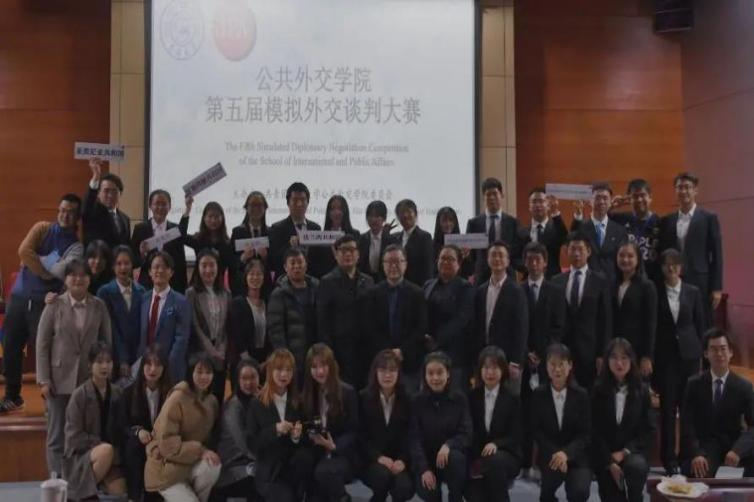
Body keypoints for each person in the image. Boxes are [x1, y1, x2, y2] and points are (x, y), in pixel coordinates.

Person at [0, 193, 83, 414]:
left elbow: (63, 272)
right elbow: (23, 251)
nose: (65, 215)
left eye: (71, 212)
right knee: (10, 346)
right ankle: (12, 396)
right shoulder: (42, 228)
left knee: (46, 352)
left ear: (77, 217)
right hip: (19, 298)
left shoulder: (76, 247)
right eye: (62, 210)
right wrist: (47, 272)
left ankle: (50, 400)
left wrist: (34, 262)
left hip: (45, 304)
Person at [36, 259, 112, 475]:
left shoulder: (99, 305)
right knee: (56, 434)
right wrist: (44, 380)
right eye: (73, 275)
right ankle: (58, 480)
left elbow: (106, 343)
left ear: (89, 279)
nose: (78, 279)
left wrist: (104, 375)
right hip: (58, 380)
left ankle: (80, 479)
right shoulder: (54, 305)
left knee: (86, 433)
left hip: (89, 379)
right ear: (66, 279)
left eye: (83, 275)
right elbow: (42, 345)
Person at [654, 248, 706, 475]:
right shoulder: (655, 291)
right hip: (666, 359)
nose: (671, 267)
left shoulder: (693, 292)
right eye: (667, 263)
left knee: (688, 408)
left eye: (675, 263)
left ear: (681, 267)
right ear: (662, 268)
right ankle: (669, 459)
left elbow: (700, 325)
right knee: (668, 410)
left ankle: (687, 455)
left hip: (690, 357)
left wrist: (702, 355)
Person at [144, 352, 221, 501]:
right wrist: (200, 451)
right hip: (166, 467)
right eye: (199, 372)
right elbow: (167, 444)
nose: (204, 377)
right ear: (190, 372)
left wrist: (204, 452)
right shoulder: (177, 397)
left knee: (213, 465)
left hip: (190, 464)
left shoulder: (212, 402)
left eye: (208, 373)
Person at [681, 328, 754, 478]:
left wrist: (738, 450)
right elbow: (687, 424)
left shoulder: (744, 387)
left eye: (723, 349)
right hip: (705, 446)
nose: (719, 354)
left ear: (731, 352)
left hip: (734, 445)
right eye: (714, 349)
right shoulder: (694, 384)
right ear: (706, 354)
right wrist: (696, 453)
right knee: (698, 470)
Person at [520, 242, 567, 474]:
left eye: (538, 259)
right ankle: (524, 462)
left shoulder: (556, 291)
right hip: (523, 361)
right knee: (524, 413)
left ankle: (544, 463)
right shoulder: (517, 289)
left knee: (546, 414)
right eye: (530, 259)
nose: (534, 263)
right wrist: (525, 352)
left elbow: (559, 327)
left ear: (546, 263)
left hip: (549, 362)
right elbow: (514, 326)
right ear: (524, 262)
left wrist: (544, 354)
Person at [592, 338, 654, 502]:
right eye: (614, 357)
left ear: (631, 360)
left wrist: (625, 451)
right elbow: (594, 430)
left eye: (624, 357)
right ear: (607, 361)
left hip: (633, 452)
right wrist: (609, 461)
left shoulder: (642, 390)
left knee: (636, 468)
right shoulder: (598, 390)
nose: (619, 363)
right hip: (606, 454)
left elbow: (648, 429)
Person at [247, 349, 313, 502]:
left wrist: (297, 437)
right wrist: (275, 430)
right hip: (270, 471)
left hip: (293, 468)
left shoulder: (298, 401)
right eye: (279, 369)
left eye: (288, 370)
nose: (284, 375)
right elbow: (252, 443)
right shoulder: (256, 404)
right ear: (270, 371)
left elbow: (306, 439)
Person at [63, 343, 126, 500]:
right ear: (90, 365)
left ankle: (96, 483)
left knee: (120, 489)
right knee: (106, 451)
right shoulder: (79, 395)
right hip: (82, 455)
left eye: (108, 361)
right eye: (99, 361)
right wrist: (99, 444)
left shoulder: (118, 393)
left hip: (110, 456)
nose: (105, 366)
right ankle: (82, 495)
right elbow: (73, 437)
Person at [660, 172, 723, 327]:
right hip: (674, 279)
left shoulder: (708, 218)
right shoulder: (668, 220)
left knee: (702, 323)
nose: (683, 191)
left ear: (695, 190)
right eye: (679, 187)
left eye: (687, 187)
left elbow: (717, 255)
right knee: (677, 322)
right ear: (675, 191)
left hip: (700, 280)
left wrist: (717, 287)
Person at [530, 343, 592, 502]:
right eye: (552, 364)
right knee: (548, 489)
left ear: (570, 365)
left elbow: (585, 434)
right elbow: (536, 431)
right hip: (549, 454)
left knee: (579, 492)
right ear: (546, 366)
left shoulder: (582, 395)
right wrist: (557, 455)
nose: (557, 369)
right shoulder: (538, 395)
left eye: (562, 364)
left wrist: (566, 454)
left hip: (576, 456)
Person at [363, 244, 428, 393]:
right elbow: (369, 327)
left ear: (405, 264)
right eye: (389, 262)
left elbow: (421, 327)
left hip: (409, 361)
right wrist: (387, 352)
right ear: (383, 265)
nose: (393, 266)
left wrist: (402, 351)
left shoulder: (417, 293)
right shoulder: (372, 294)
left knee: (409, 401)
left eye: (398, 261)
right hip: (380, 360)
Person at [552, 232, 612, 389]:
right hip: (563, 350)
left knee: (589, 394)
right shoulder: (556, 281)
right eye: (572, 249)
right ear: (567, 251)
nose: (576, 254)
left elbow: (605, 320)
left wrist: (602, 354)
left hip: (590, 352)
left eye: (580, 249)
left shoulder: (600, 280)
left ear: (588, 251)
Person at [301, 343, 360, 502]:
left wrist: (334, 446)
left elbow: (354, 431)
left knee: (323, 472)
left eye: (323, 365)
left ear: (332, 366)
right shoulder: (307, 395)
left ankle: (343, 498)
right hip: (317, 454)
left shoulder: (347, 392)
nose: (320, 371)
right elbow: (306, 427)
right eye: (314, 367)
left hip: (342, 455)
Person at [410, 351, 472, 502]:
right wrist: (424, 468)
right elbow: (414, 439)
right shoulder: (416, 401)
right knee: (430, 492)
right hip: (426, 461)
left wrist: (449, 445)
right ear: (424, 375)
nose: (435, 378)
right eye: (430, 373)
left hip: (450, 460)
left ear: (448, 373)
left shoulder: (459, 399)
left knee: (456, 459)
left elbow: (466, 433)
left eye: (440, 372)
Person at [115, 346, 172, 502]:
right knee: (134, 446)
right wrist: (137, 432)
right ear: (142, 366)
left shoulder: (171, 394)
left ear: (164, 368)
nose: (153, 369)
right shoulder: (128, 393)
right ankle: (133, 497)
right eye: (149, 364)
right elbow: (121, 426)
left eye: (158, 364)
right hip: (139, 444)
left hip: (161, 443)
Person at [317, 234, 374, 388]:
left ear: (358, 254)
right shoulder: (327, 282)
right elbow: (322, 322)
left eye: (352, 250)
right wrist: (329, 354)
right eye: (343, 250)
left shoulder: (368, 281)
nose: (348, 254)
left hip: (365, 351)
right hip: (339, 352)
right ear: (336, 255)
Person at [467, 346, 522, 502]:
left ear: (503, 370)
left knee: (495, 462)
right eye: (486, 368)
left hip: (506, 454)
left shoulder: (512, 398)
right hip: (479, 456)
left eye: (495, 368)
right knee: (475, 496)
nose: (490, 373)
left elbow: (516, 435)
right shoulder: (472, 397)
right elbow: (469, 431)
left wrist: (496, 444)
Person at [358, 350, 414, 502]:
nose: (387, 375)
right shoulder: (364, 397)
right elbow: (360, 435)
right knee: (382, 476)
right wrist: (378, 457)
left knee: (404, 488)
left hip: (399, 461)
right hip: (373, 460)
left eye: (392, 370)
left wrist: (403, 460)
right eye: (382, 370)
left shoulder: (408, 398)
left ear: (399, 373)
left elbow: (411, 434)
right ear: (375, 372)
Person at [474, 241, 528, 396]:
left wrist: (516, 362)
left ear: (508, 261)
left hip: (507, 359)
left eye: (501, 255)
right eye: (493, 255)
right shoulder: (480, 290)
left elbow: (521, 328)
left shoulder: (517, 291)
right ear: (487, 259)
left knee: (509, 402)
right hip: (484, 358)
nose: (497, 259)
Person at [424, 245, 474, 392]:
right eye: (442, 258)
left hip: (455, 357)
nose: (445, 262)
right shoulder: (428, 285)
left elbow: (461, 320)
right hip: (429, 354)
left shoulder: (465, 288)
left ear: (459, 264)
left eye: (450, 259)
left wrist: (437, 341)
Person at [186, 248, 232, 403]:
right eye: (204, 265)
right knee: (199, 400)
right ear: (197, 268)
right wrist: (211, 350)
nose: (208, 270)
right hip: (199, 354)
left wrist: (222, 349)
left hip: (220, 355)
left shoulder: (226, 293)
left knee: (216, 399)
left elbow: (226, 326)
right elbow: (194, 325)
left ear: (218, 267)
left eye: (212, 265)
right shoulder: (191, 293)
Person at [213, 359, 262, 502]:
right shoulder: (233, 407)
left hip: (250, 460)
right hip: (232, 466)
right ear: (237, 380)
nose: (249, 382)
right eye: (244, 378)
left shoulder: (257, 400)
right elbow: (244, 445)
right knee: (265, 480)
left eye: (253, 377)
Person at [138, 251, 192, 382]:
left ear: (171, 272)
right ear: (150, 272)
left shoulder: (181, 301)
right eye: (156, 267)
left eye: (164, 267)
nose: (160, 270)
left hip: (170, 369)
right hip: (146, 367)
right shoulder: (143, 299)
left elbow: (182, 339)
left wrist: (165, 367)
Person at [267, 247, 319, 379]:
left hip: (315, 354)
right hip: (291, 357)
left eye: (300, 262)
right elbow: (275, 329)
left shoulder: (317, 288)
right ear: (285, 267)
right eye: (292, 263)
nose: (296, 266)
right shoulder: (278, 293)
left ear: (306, 264)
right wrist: (284, 356)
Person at [97, 245, 145, 382]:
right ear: (113, 266)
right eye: (119, 264)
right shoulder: (104, 292)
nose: (123, 267)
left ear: (132, 265)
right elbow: (110, 328)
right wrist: (123, 359)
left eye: (126, 263)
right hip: (114, 355)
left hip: (138, 357)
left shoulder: (142, 291)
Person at [131, 189, 191, 293]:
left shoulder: (175, 230)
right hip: (147, 286)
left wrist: (188, 209)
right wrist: (142, 255)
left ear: (169, 207)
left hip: (172, 285)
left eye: (164, 204)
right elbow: (133, 259)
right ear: (150, 206)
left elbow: (180, 261)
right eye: (157, 204)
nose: (160, 207)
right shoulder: (140, 229)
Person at [613, 241, 658, 378]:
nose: (625, 259)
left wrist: (647, 356)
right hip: (615, 349)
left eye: (630, 256)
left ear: (638, 259)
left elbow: (651, 323)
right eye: (621, 255)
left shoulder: (647, 286)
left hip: (637, 350)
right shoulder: (612, 284)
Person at [465, 177, 522, 284]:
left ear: (502, 195)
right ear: (483, 198)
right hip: (481, 276)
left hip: (507, 274)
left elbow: (517, 251)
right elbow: (471, 255)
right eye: (488, 195)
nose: (491, 198)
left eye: (495, 194)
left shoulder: (513, 223)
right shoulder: (473, 223)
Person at [571, 182, 628, 285]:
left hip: (612, 285)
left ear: (610, 202)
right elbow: (571, 242)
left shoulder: (620, 230)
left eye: (605, 198)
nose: (601, 202)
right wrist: (578, 216)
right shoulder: (581, 228)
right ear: (590, 201)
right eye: (597, 198)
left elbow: (623, 259)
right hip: (586, 284)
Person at [609, 179, 663, 283]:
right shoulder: (621, 219)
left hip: (651, 279)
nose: (639, 199)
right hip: (625, 277)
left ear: (650, 197)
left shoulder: (660, 223)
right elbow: (599, 221)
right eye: (635, 196)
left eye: (643, 195)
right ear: (629, 199)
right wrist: (612, 206)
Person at [227, 258, 271, 383]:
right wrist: (249, 362)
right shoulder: (237, 303)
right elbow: (236, 335)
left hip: (265, 361)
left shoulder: (269, 302)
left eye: (259, 274)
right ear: (246, 277)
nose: (255, 278)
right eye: (251, 274)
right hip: (242, 361)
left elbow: (272, 333)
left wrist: (268, 360)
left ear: (264, 277)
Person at [269, 182, 323, 276]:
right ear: (288, 203)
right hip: (285, 281)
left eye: (303, 200)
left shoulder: (316, 228)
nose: (299, 204)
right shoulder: (277, 228)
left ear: (308, 202)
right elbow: (273, 261)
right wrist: (289, 246)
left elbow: (319, 259)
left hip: (311, 281)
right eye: (295, 200)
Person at [184, 201, 237, 290]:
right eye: (210, 216)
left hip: (218, 288)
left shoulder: (227, 244)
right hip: (197, 287)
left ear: (222, 218)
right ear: (204, 218)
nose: (213, 220)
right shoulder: (198, 239)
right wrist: (187, 210)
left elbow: (232, 267)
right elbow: (181, 235)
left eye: (217, 217)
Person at [517, 188, 567, 278]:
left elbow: (565, 238)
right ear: (529, 206)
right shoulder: (522, 232)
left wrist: (555, 213)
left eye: (541, 201)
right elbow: (515, 258)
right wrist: (529, 267)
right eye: (534, 202)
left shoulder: (556, 228)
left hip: (552, 278)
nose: (537, 205)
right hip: (529, 279)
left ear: (548, 205)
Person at [82, 159, 131, 247]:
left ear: (120, 194)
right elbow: (87, 204)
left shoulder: (125, 219)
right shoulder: (92, 212)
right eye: (106, 191)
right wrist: (96, 176)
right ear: (98, 193)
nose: (110, 195)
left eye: (114, 191)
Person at [309, 194, 360, 278]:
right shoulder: (320, 236)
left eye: (340, 208)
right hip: (326, 281)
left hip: (350, 280)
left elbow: (358, 262)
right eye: (332, 209)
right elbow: (314, 263)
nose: (336, 212)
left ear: (345, 211)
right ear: (328, 213)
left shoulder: (354, 235)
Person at [230, 191, 270, 295]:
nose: (256, 209)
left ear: (265, 208)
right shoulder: (237, 232)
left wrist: (266, 257)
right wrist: (242, 258)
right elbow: (230, 261)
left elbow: (276, 262)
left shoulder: (271, 232)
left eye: (259, 205)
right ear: (246, 208)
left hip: (265, 286)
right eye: (252, 205)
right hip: (241, 286)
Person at [391, 199, 434, 287]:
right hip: (396, 286)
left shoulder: (425, 237)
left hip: (416, 287)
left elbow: (428, 267)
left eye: (408, 211)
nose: (405, 215)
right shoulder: (394, 237)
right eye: (401, 212)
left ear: (415, 214)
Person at [357, 200, 394, 282]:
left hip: (386, 282)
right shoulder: (361, 239)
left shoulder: (392, 240)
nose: (373, 219)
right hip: (364, 282)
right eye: (370, 216)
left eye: (377, 216)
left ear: (384, 218)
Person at [432, 207, 474, 279]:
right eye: (444, 221)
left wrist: (466, 257)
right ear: (439, 223)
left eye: (451, 220)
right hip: (439, 282)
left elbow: (470, 271)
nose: (448, 224)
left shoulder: (463, 243)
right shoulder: (432, 245)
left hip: (460, 282)